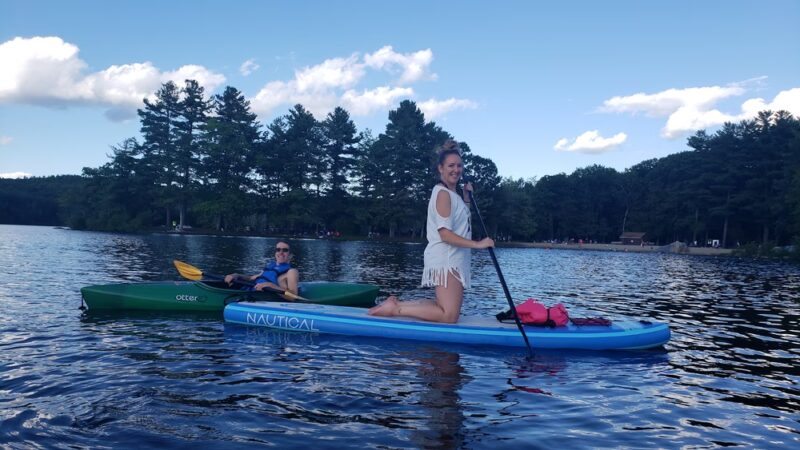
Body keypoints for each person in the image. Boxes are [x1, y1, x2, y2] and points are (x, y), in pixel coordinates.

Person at [368, 139, 494, 323]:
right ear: (440, 168)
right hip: (447, 259)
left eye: (459, 166)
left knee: (444, 308)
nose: (456, 170)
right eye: (451, 165)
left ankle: (395, 305)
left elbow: (461, 222)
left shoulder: (452, 194)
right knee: (449, 316)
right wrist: (478, 244)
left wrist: (467, 198)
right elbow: (445, 234)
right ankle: (395, 309)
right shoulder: (443, 194)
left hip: (453, 258)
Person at [224, 240, 299, 295]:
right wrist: (236, 275)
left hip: (262, 297)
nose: (280, 252)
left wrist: (271, 286)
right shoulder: (270, 267)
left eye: (285, 250)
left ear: (290, 255)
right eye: (278, 249)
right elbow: (251, 278)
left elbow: (293, 295)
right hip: (249, 291)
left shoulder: (291, 272)